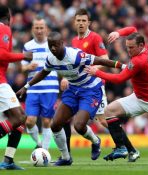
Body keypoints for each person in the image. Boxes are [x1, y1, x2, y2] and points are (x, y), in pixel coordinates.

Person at [16, 32, 124, 166]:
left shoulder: (75, 55)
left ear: (62, 43)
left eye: (55, 45)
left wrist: (122, 66)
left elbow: (101, 60)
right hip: (73, 90)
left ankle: (95, 141)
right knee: (55, 124)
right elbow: (43, 72)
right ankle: (66, 158)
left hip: (90, 90)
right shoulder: (51, 58)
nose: (53, 48)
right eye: (50, 46)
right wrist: (26, 86)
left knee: (79, 126)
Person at [85, 27, 148, 144]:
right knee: (109, 111)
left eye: (131, 47)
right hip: (138, 98)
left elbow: (119, 78)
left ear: (140, 45)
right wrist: (118, 33)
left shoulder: (138, 61)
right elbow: (133, 29)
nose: (128, 50)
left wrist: (97, 72)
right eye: (127, 47)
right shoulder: (144, 47)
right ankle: (123, 147)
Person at [71, 9, 139, 162]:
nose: (81, 23)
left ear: (89, 23)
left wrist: (95, 69)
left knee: (105, 120)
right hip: (81, 86)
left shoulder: (95, 38)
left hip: (95, 85)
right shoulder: (75, 41)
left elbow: (104, 58)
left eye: (84, 21)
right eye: (78, 20)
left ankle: (130, 149)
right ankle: (129, 149)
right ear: (75, 22)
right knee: (103, 120)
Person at [0, 5, 32, 170]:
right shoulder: (3, 28)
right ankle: (8, 161)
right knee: (19, 117)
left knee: (18, 119)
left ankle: (8, 160)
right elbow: (1, 54)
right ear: (9, 15)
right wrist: (23, 55)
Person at [21, 16, 60, 150]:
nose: (39, 30)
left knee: (46, 120)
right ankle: (38, 143)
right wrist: (28, 67)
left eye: (41, 28)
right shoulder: (28, 46)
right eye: (36, 28)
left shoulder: (52, 46)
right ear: (32, 29)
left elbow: (61, 63)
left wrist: (65, 78)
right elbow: (22, 67)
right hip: (32, 88)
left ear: (46, 29)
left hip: (50, 88)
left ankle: (44, 150)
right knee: (29, 121)